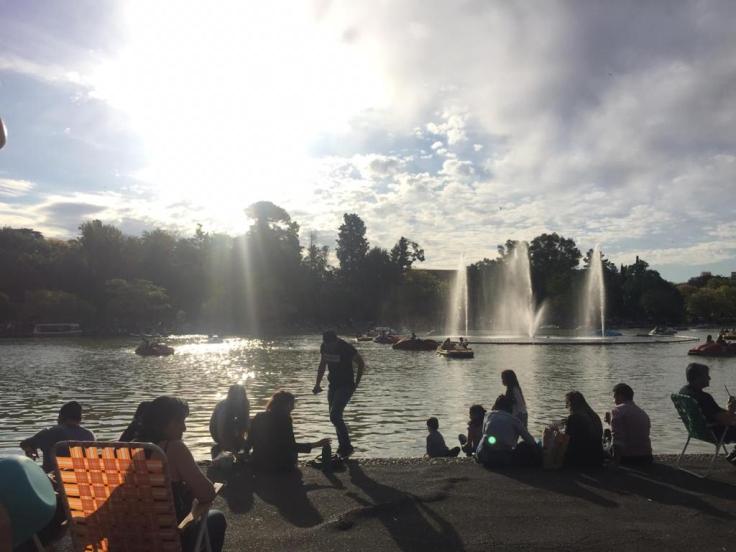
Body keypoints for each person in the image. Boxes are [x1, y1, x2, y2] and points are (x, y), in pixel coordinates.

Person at [138, 396, 226, 552]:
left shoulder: (133, 448)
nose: (184, 428)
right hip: (170, 540)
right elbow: (206, 494)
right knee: (217, 518)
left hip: (134, 538)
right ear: (162, 423)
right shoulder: (173, 448)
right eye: (179, 422)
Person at [249, 390, 331, 472]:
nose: (293, 407)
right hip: (276, 465)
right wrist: (317, 444)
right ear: (286, 405)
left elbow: (250, 440)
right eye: (292, 404)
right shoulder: (285, 420)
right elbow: (291, 446)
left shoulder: (258, 416)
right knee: (293, 453)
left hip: (258, 462)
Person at [313, 330, 365, 458]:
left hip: (346, 385)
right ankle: (343, 448)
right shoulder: (324, 346)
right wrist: (317, 384)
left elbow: (361, 363)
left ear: (336, 341)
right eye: (326, 344)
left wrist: (356, 384)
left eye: (331, 345)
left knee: (335, 415)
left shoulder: (346, 348)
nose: (329, 348)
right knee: (334, 417)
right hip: (333, 385)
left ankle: (347, 447)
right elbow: (322, 364)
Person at [679, 362, 736, 464]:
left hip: (699, 430)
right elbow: (726, 420)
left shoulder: (684, 391)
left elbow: (715, 413)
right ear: (697, 378)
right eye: (706, 375)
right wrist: (732, 408)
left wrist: (729, 409)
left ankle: (733, 456)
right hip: (716, 432)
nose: (709, 378)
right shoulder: (704, 398)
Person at [19, 401, 95, 473]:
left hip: (54, 480)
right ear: (79, 419)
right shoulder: (90, 435)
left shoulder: (50, 432)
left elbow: (24, 444)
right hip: (83, 480)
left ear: (61, 417)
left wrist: (31, 450)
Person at [476, 395, 538, 467]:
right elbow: (530, 440)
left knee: (484, 439)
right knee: (525, 445)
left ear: (495, 405)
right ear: (511, 408)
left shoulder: (488, 415)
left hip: (484, 456)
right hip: (504, 458)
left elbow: (484, 433)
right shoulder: (514, 420)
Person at [604, 383, 652, 465]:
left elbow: (617, 440)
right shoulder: (642, 412)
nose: (614, 401)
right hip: (646, 457)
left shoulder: (617, 411)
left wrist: (615, 462)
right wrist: (611, 423)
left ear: (620, 396)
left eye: (614, 397)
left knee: (603, 445)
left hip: (627, 458)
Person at [562, 391, 604, 468]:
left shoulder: (574, 417)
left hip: (582, 459)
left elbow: (567, 439)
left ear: (572, 404)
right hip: (597, 457)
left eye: (567, 403)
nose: (566, 406)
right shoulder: (594, 415)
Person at [209, 384, 250, 455]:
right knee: (227, 443)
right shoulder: (224, 408)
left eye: (241, 397)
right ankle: (224, 448)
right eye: (236, 397)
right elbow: (221, 432)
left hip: (233, 426)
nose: (239, 400)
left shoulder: (245, 404)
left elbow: (246, 425)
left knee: (252, 422)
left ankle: (241, 446)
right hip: (218, 433)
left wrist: (246, 444)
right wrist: (235, 453)